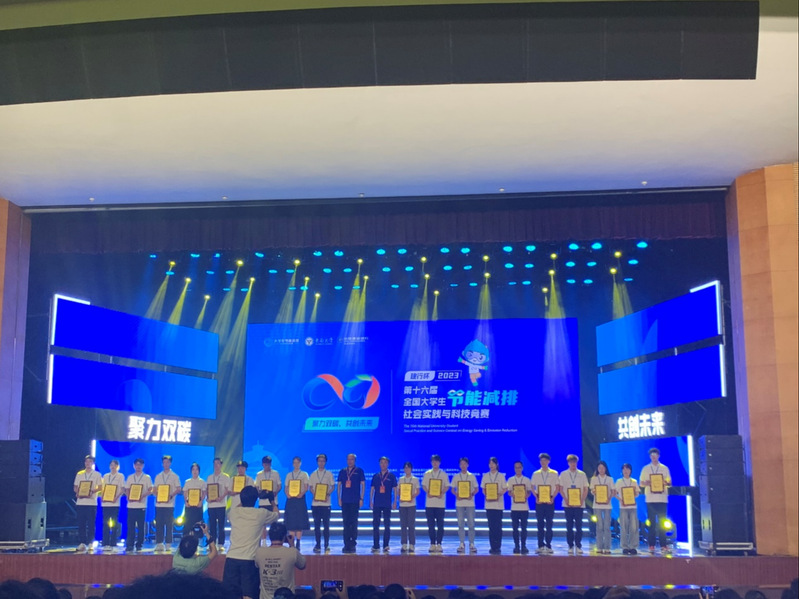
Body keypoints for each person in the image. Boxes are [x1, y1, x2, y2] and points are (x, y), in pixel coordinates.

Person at [223, 486, 279, 599]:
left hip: (231, 558)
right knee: (249, 595)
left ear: (241, 498)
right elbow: (276, 515)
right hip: (249, 560)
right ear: (256, 499)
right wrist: (272, 501)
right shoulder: (261, 513)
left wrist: (243, 499)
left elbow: (238, 507)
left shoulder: (234, 512)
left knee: (229, 594)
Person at [255, 521, 307, 599]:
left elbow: (256, 565)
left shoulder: (259, 552)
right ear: (284, 537)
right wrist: (292, 545)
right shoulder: (292, 552)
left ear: (269, 536)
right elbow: (302, 565)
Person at [640, 447, 672, 554]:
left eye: (655, 455)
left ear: (658, 456)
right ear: (650, 457)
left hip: (662, 499)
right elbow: (641, 483)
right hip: (650, 499)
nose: (653, 457)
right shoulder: (646, 468)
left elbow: (669, 482)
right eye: (652, 455)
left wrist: (665, 482)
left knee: (662, 523)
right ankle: (651, 545)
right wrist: (647, 483)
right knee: (652, 524)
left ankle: (663, 545)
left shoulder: (664, 468)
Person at [558, 454, 589, 554]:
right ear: (568, 463)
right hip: (568, 504)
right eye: (571, 462)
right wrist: (566, 499)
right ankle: (570, 545)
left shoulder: (582, 474)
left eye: (574, 462)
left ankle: (578, 545)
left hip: (579, 504)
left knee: (579, 526)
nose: (573, 464)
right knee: (569, 526)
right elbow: (560, 489)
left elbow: (585, 489)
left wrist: (582, 500)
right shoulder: (563, 474)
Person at [73, 454, 103, 552]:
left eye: (90, 461)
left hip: (91, 502)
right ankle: (82, 543)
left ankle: (90, 542)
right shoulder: (80, 474)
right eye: (86, 461)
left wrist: (92, 491)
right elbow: (75, 487)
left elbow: (100, 487)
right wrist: (78, 492)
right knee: (81, 524)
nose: (88, 463)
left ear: (93, 463)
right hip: (81, 502)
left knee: (91, 524)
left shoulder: (97, 474)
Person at [337, 453, 365, 553]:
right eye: (348, 459)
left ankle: (353, 543)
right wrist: (339, 498)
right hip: (345, 500)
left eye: (351, 459)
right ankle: (346, 544)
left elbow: (363, 485)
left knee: (353, 523)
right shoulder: (342, 471)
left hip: (355, 501)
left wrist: (361, 498)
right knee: (346, 523)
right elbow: (339, 485)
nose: (350, 461)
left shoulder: (359, 471)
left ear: (355, 460)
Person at [153, 455, 182, 552]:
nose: (166, 464)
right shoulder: (158, 476)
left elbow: (178, 488)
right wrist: (157, 494)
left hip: (169, 504)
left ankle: (168, 543)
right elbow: (155, 489)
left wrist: (171, 495)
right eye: (164, 462)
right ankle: (159, 543)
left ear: (170, 463)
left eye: (168, 462)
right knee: (159, 524)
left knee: (169, 524)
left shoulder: (175, 476)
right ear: (162, 464)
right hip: (159, 504)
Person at [531, 453, 558, 554]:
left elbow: (557, 487)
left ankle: (549, 545)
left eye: (545, 460)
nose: (543, 462)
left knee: (549, 524)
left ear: (548, 461)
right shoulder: (536, 474)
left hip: (550, 500)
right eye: (541, 460)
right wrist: (536, 497)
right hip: (539, 501)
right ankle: (540, 545)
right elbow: (532, 487)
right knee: (540, 524)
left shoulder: (554, 473)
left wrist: (553, 498)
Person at [421, 454, 449, 553]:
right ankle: (432, 543)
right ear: (431, 462)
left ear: (439, 462)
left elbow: (447, 486)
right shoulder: (427, 473)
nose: (435, 463)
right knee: (431, 525)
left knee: (440, 524)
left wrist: (442, 493)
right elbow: (424, 485)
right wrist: (428, 492)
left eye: (436, 461)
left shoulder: (443, 474)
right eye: (433, 461)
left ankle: (439, 543)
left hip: (440, 503)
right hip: (429, 503)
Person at [370, 456, 397, 553]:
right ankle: (376, 545)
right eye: (381, 462)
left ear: (388, 464)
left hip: (387, 503)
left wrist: (395, 501)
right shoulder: (375, 476)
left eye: (385, 462)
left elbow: (395, 490)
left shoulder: (391, 476)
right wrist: (370, 501)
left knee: (387, 524)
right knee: (375, 525)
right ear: (379, 464)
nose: (383, 464)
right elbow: (372, 489)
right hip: (377, 503)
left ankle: (386, 545)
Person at [309, 453, 335, 554]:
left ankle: (327, 544)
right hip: (315, 504)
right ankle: (318, 544)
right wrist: (315, 494)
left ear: (325, 462)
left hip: (326, 504)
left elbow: (333, 486)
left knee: (326, 525)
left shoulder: (329, 474)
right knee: (317, 526)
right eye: (319, 461)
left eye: (323, 461)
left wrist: (327, 494)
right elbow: (311, 487)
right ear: (317, 462)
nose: (321, 463)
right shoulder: (313, 474)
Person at [452, 457, 478, 554]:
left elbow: (476, 489)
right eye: (461, 464)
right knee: (460, 524)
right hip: (459, 503)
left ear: (468, 465)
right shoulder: (456, 476)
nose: (463, 465)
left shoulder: (472, 476)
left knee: (471, 524)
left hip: (470, 503)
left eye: (465, 464)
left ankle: (471, 543)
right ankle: (462, 543)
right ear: (459, 465)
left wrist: (472, 494)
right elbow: (452, 489)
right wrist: (456, 494)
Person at [125, 458, 151, 553]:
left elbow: (150, 489)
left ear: (143, 466)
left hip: (141, 505)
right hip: (131, 505)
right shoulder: (130, 477)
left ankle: (139, 544)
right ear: (134, 466)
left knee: (141, 527)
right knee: (130, 526)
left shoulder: (147, 477)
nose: (138, 466)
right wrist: (128, 497)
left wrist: (142, 496)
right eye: (137, 464)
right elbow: (127, 489)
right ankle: (130, 544)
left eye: (140, 465)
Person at [481, 457, 507, 555]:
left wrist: (499, 494)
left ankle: (498, 546)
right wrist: (487, 495)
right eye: (490, 463)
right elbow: (483, 489)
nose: (491, 465)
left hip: (498, 504)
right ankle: (492, 546)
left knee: (498, 526)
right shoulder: (485, 476)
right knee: (491, 527)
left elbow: (505, 488)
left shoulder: (501, 476)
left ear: (497, 465)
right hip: (489, 504)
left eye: (493, 463)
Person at [284, 456, 310, 550]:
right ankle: (292, 543)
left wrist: (301, 493)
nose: (296, 464)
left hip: (300, 499)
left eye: (297, 463)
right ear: (292, 464)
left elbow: (306, 487)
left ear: (300, 463)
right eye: (294, 463)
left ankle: (298, 542)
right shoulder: (289, 475)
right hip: (291, 500)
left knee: (299, 522)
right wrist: (287, 494)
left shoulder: (304, 474)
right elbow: (286, 487)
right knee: (291, 522)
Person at [507, 460, 532, 554]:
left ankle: (524, 545)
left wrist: (526, 495)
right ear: (514, 469)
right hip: (514, 508)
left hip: (524, 508)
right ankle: (516, 546)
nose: (518, 469)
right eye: (516, 467)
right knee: (515, 528)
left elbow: (529, 492)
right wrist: (512, 494)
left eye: (519, 467)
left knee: (524, 528)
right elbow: (509, 492)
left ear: (522, 468)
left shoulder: (526, 480)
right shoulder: (510, 480)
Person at [615, 463, 640, 555]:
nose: (625, 471)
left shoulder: (634, 481)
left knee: (633, 527)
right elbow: (614, 493)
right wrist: (620, 500)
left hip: (633, 506)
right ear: (622, 471)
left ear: (630, 471)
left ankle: (633, 546)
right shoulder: (619, 481)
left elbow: (637, 493)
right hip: (623, 507)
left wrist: (634, 494)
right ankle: (625, 547)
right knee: (624, 527)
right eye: (624, 469)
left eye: (627, 469)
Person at [590, 460, 614, 554]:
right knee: (599, 526)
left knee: (607, 526)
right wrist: (594, 492)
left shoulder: (610, 479)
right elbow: (592, 490)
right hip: (597, 505)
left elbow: (613, 491)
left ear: (606, 469)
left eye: (603, 468)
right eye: (599, 468)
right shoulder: (594, 479)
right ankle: (599, 547)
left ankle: (607, 547)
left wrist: (609, 498)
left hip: (607, 505)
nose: (601, 470)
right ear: (597, 469)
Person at [101, 459, 125, 552]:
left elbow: (122, 489)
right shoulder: (106, 476)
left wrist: (116, 497)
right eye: (111, 465)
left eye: (114, 465)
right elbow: (103, 488)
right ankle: (105, 542)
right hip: (106, 503)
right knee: (105, 523)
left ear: (117, 466)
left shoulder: (120, 476)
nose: (112, 466)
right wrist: (103, 497)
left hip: (115, 503)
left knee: (114, 523)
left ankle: (113, 542)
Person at [397, 461, 420, 553]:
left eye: (408, 467)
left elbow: (418, 491)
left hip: (411, 504)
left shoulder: (415, 479)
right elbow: (398, 491)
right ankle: (404, 543)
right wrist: (401, 497)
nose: (407, 469)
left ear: (411, 469)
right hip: (402, 505)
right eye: (405, 468)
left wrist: (412, 497)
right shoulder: (401, 479)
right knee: (403, 525)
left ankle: (412, 544)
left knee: (411, 525)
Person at [183, 462, 207, 534]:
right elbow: (185, 492)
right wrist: (186, 502)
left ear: (199, 471)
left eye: (196, 469)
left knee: (198, 523)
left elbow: (204, 493)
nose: (195, 471)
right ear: (191, 471)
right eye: (193, 469)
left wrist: (201, 502)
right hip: (189, 506)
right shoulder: (187, 482)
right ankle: (187, 538)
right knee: (188, 523)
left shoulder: (202, 482)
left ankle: (198, 538)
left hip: (198, 506)